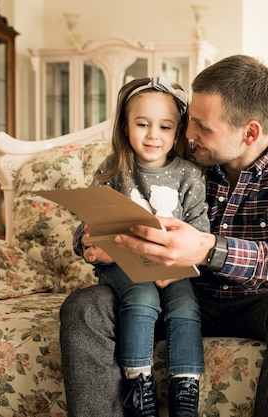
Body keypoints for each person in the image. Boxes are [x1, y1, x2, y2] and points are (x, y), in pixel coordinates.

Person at [60, 55, 268, 417]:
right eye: (189, 120)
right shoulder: (184, 154)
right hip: (171, 295)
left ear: (249, 132)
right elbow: (115, 197)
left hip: (258, 304)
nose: (188, 134)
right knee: (84, 307)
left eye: (202, 127)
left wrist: (208, 249)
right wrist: (92, 240)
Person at [71, 76, 209, 417]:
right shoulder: (114, 170)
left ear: (177, 131)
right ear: (125, 126)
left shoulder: (189, 175)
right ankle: (139, 383)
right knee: (142, 295)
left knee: (186, 307)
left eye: (165, 127)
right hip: (122, 263)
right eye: (142, 124)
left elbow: (201, 230)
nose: (153, 135)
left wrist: (178, 258)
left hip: (173, 266)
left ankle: (185, 388)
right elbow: (89, 224)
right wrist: (90, 241)